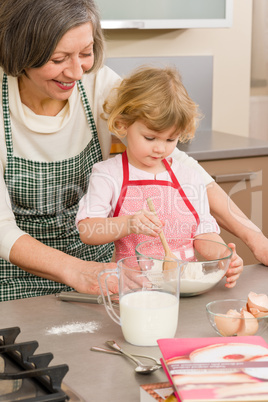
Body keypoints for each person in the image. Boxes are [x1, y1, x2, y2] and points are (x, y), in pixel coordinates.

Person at [0, 0, 266, 302]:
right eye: (59, 58)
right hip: (17, 281)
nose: (76, 72)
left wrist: (254, 238)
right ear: (20, 50)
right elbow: (2, 228)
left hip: (110, 275)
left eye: (86, 53)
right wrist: (76, 271)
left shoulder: (97, 82)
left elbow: (178, 164)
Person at [76, 65, 243, 288]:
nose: (160, 149)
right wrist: (129, 223)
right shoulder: (108, 174)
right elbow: (88, 230)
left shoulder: (190, 177)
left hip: (184, 289)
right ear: (123, 124)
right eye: (150, 137)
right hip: (134, 290)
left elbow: (203, 234)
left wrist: (223, 257)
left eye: (170, 140)